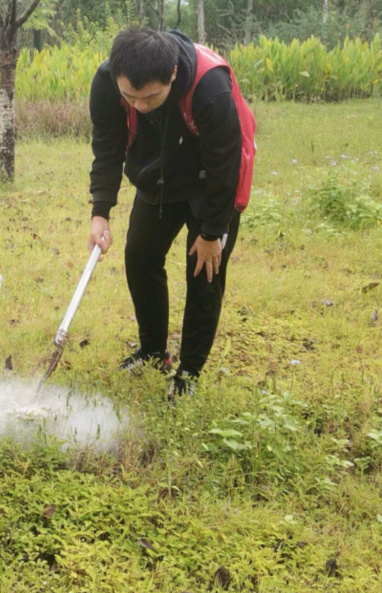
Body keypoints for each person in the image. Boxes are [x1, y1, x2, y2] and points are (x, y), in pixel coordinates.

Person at [86, 28, 256, 400]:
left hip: (210, 183)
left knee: (204, 273)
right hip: (159, 178)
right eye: (130, 97)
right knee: (140, 257)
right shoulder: (106, 82)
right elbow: (108, 146)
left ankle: (189, 373)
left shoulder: (210, 87)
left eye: (151, 98)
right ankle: (152, 352)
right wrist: (101, 211)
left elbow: (226, 166)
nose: (140, 106)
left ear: (174, 75)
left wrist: (212, 232)